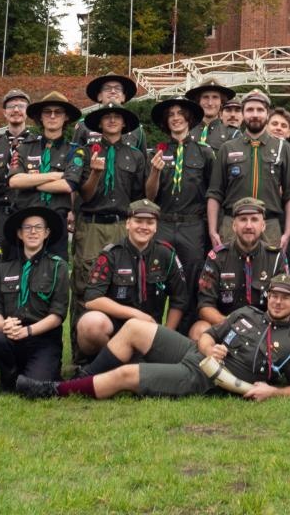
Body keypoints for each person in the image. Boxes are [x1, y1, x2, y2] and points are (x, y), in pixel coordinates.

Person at [33, 273, 290, 401]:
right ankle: (82, 380)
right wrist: (209, 346)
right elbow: (208, 335)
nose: (277, 302)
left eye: (285, 298)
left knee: (127, 375)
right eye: (274, 295)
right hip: (194, 351)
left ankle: (53, 391)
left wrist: (272, 392)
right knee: (133, 327)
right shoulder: (246, 312)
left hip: (207, 378)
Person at [64, 101, 148, 361]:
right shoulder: (85, 152)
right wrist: (96, 175)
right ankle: (81, 356)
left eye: (117, 117)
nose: (112, 121)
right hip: (91, 224)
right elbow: (84, 195)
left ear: (124, 124)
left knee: (121, 285)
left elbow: (138, 197)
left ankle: (120, 352)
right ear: (99, 124)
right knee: (84, 287)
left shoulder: (135, 155)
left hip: (121, 226)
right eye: (107, 117)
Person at [74, 200, 190, 358]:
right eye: (138, 221)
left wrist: (166, 335)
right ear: (127, 223)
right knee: (90, 324)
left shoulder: (166, 254)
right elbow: (92, 298)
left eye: (150, 222)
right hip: (115, 328)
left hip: (150, 330)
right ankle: (109, 362)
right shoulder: (111, 254)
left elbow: (179, 299)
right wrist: (135, 314)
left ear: (156, 227)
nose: (144, 227)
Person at [0, 206, 69, 393]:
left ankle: (34, 373)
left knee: (36, 388)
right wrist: (2, 325)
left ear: (46, 233)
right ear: (19, 234)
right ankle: (10, 374)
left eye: (38, 227)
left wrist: (28, 331)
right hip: (11, 336)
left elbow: (58, 314)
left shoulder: (58, 267)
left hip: (42, 339)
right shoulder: (4, 268)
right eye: (27, 227)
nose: (32, 232)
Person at [206, 88, 290, 253]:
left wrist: (287, 233)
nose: (255, 114)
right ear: (243, 114)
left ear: (267, 114)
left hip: (269, 226)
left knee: (270, 276)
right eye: (249, 110)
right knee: (231, 275)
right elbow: (214, 193)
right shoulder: (227, 148)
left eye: (260, 110)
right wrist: (213, 231)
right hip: (233, 224)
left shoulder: (282, 148)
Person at [144, 95, 215, 297]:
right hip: (163, 223)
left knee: (192, 281)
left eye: (180, 113)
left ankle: (187, 328)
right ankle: (155, 327)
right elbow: (149, 196)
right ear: (166, 121)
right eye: (171, 115)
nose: (176, 118)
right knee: (156, 280)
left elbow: (213, 192)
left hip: (192, 226)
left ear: (189, 118)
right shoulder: (156, 152)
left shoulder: (205, 153)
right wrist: (155, 172)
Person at [192, 197, 287, 339]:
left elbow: (285, 303)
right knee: (199, 329)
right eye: (243, 219)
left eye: (254, 219)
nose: (248, 226)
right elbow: (204, 306)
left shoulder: (276, 257)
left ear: (263, 226)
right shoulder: (217, 257)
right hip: (226, 325)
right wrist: (234, 325)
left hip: (264, 329)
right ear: (234, 225)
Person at [8, 92, 81, 255]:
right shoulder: (25, 147)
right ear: (40, 117)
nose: (52, 116)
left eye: (58, 112)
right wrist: (54, 175)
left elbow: (68, 184)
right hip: (25, 220)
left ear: (66, 117)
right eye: (47, 112)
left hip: (56, 223)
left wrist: (30, 182)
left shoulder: (74, 151)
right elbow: (14, 181)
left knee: (55, 273)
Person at [0, 89, 33, 244]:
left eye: (21, 105)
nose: (16, 110)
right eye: (11, 106)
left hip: (26, 216)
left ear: (27, 112)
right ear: (4, 112)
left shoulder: (38, 144)